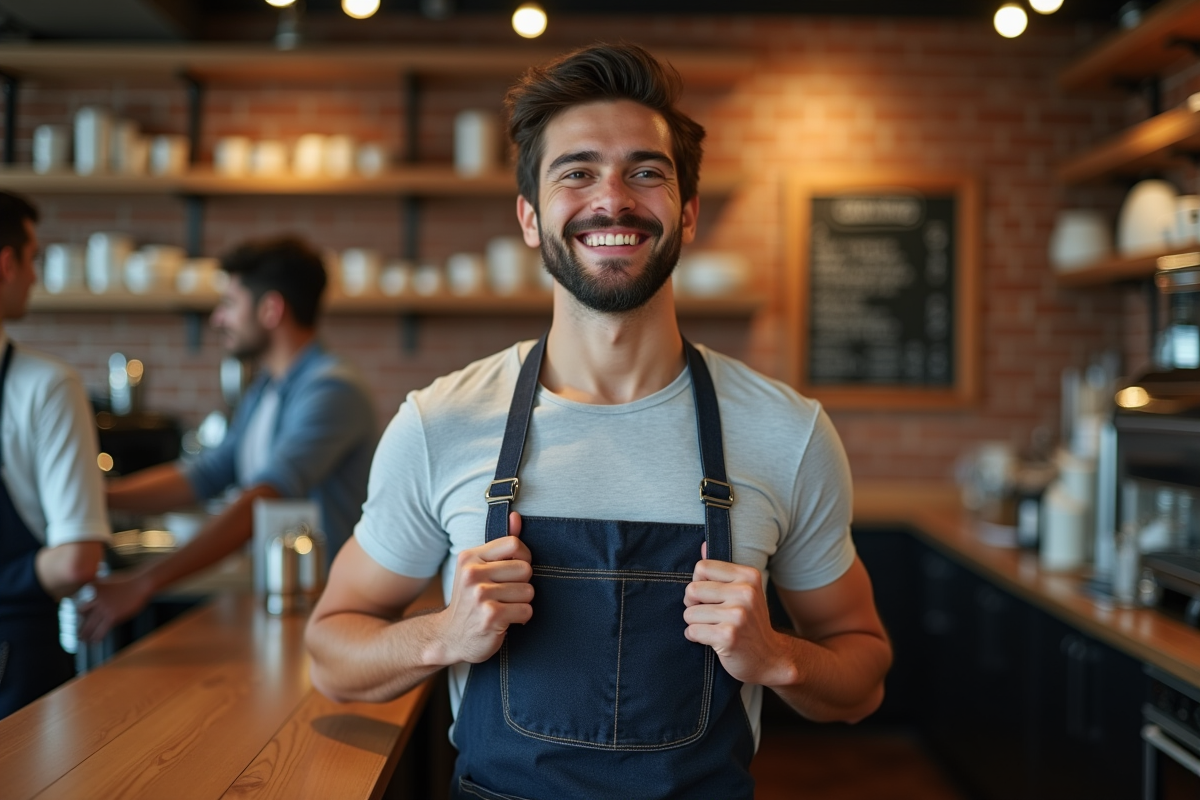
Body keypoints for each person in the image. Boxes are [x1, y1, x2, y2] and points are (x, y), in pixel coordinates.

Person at [305, 43, 891, 799]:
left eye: (646, 171)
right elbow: (330, 652)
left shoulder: (789, 433)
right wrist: (445, 634)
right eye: (576, 172)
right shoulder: (440, 423)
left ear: (687, 213)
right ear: (529, 216)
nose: (612, 199)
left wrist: (776, 655)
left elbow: (863, 673)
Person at [79, 236, 377, 642]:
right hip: (284, 600)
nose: (219, 319)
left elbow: (266, 495)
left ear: (271, 309)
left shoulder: (331, 391)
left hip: (328, 608)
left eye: (230, 304)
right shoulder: (266, 390)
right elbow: (207, 474)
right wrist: (99, 496)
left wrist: (143, 583)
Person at [0, 191, 110, 719]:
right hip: (15, 673)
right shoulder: (47, 386)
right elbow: (75, 560)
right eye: (34, 258)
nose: (36, 276)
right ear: (6, 263)